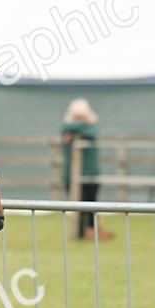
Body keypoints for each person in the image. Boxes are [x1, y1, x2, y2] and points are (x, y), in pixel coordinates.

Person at [60, 98, 113, 241]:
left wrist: (76, 127)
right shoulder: (69, 128)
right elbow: (65, 128)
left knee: (90, 205)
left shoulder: (87, 129)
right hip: (71, 175)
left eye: (81, 117)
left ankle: (92, 231)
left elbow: (91, 132)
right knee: (77, 207)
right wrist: (83, 124)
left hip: (90, 175)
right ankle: (81, 232)